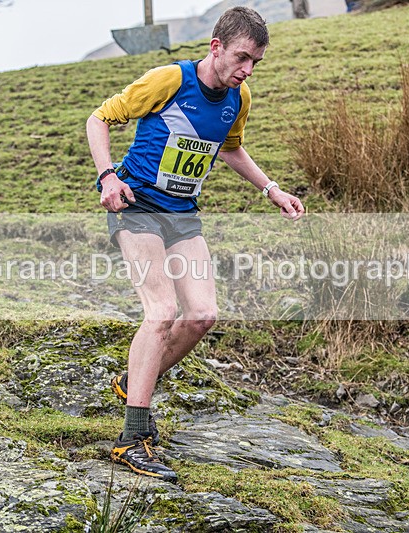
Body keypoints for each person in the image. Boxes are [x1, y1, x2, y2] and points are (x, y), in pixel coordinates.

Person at [86, 6, 305, 482]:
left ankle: (134, 381)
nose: (247, 70)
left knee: (203, 314)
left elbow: (230, 147)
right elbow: (98, 119)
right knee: (161, 311)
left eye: (255, 63)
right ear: (216, 47)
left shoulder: (238, 97)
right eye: (242, 58)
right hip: (136, 203)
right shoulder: (169, 80)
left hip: (182, 214)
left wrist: (272, 189)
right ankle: (132, 439)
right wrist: (107, 177)